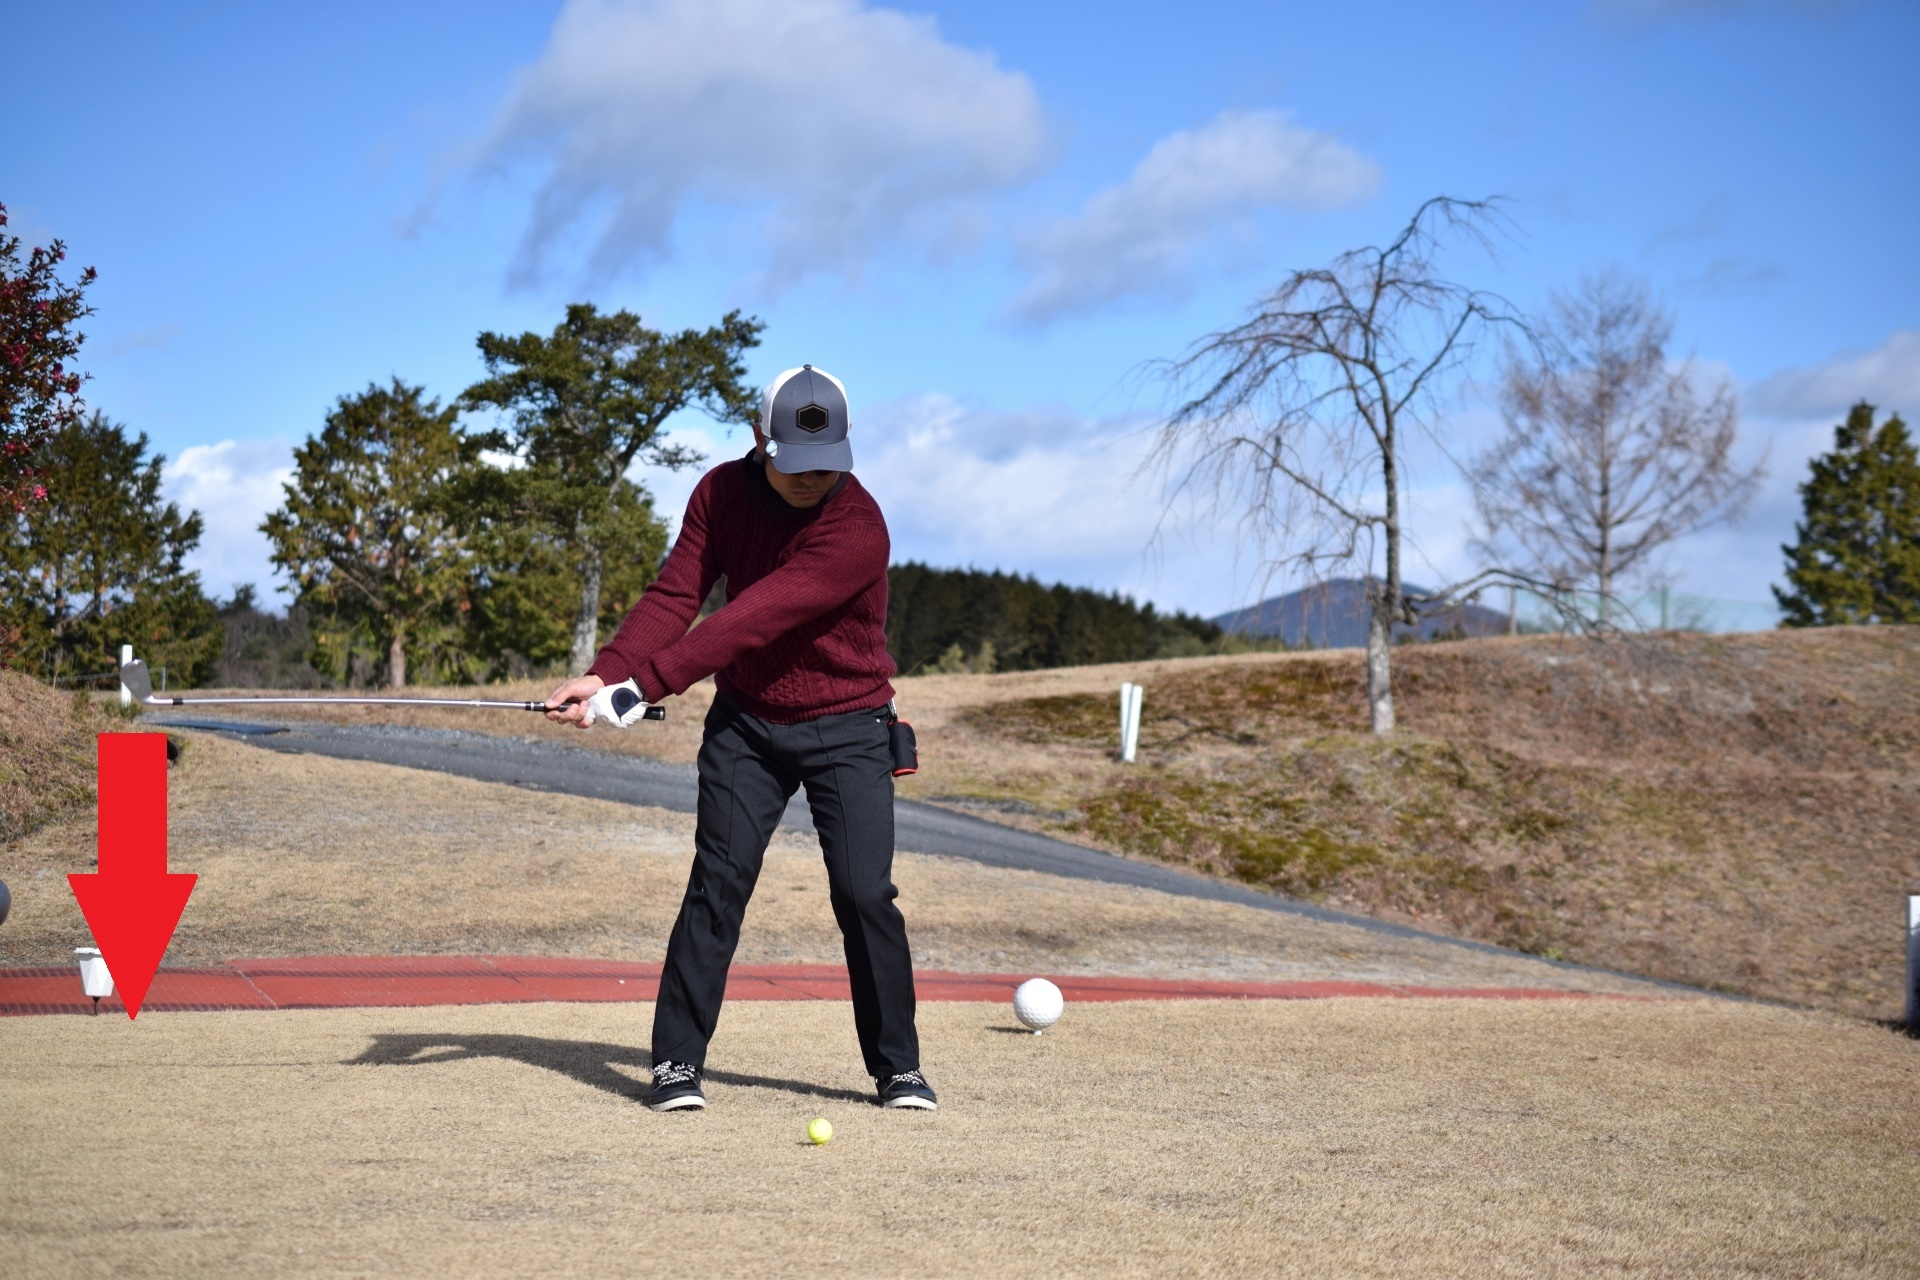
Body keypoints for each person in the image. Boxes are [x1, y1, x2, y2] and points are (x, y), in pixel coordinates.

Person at [543, 365, 935, 1113]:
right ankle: (676, 1065)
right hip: (748, 726)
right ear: (760, 439)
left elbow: (749, 618)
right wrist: (607, 675)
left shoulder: (857, 526)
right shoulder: (720, 493)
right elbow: (676, 594)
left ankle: (897, 1069)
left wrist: (644, 688)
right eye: (796, 463)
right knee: (717, 885)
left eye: (827, 464)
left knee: (864, 894)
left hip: (851, 726)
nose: (812, 478)